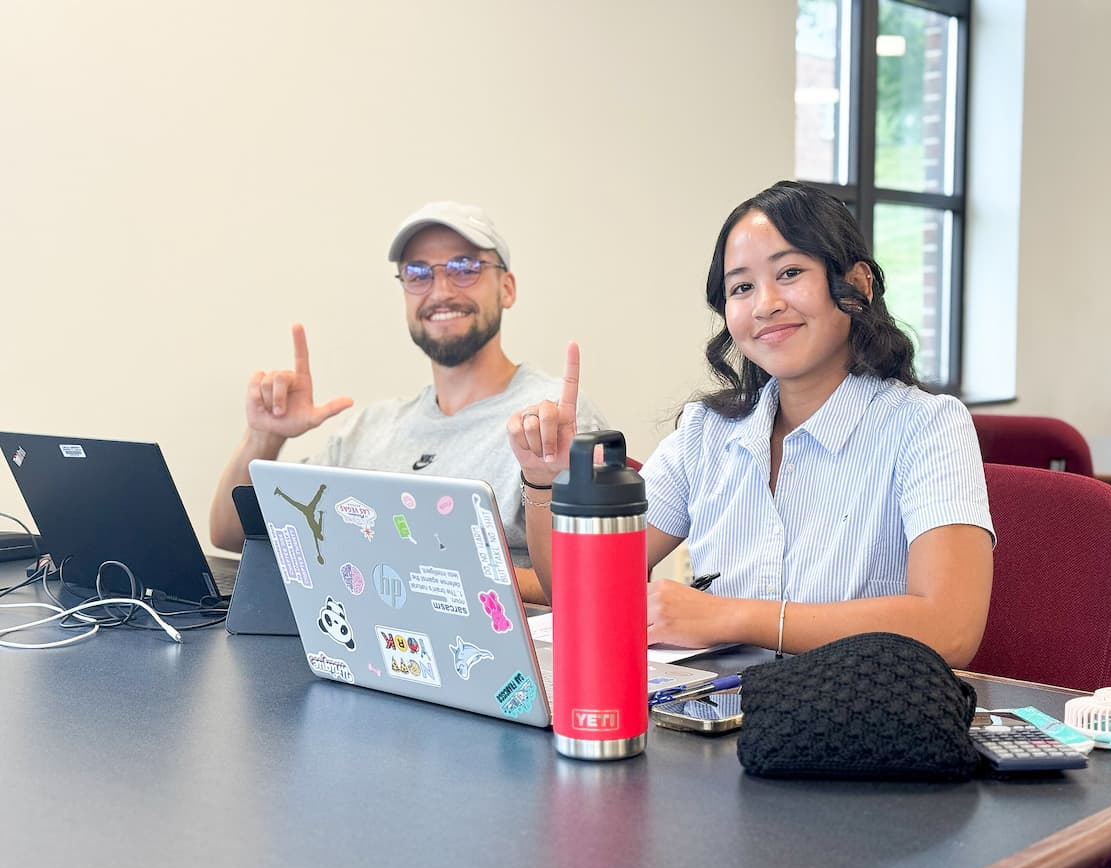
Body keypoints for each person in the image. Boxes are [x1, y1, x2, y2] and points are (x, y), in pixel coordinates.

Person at [507, 182, 993, 665]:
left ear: (858, 285)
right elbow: (579, 591)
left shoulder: (927, 425)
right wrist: (546, 482)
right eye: (742, 287)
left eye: (790, 272)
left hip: (857, 718)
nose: (765, 304)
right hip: (715, 715)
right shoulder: (707, 432)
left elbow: (949, 629)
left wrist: (729, 616)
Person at [210, 200, 606, 603]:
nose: (441, 290)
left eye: (465, 267)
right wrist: (263, 437)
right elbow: (231, 537)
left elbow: (587, 586)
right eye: (418, 273)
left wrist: (415, 570)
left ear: (507, 288)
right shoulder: (369, 429)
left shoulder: (554, 420)